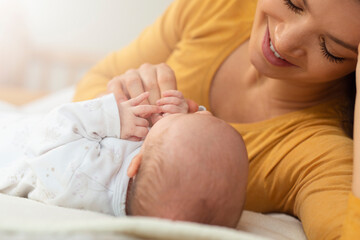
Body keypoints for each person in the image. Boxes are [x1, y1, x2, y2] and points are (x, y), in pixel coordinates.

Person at [72, 0, 360, 239]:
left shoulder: (317, 154)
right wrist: (115, 104)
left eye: (330, 50)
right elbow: (91, 84)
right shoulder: (218, 7)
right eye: (293, 3)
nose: (284, 41)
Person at [0, 90, 248, 228]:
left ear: (136, 163)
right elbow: (186, 146)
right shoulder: (151, 177)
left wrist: (111, 117)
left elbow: (49, 136)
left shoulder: (85, 179)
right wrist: (183, 117)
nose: (202, 112)